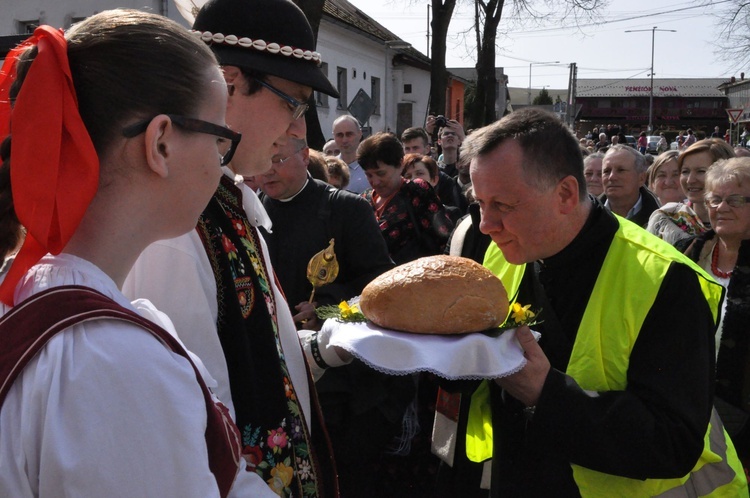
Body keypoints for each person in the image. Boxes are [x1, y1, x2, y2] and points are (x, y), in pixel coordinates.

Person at [0, 10, 261, 497]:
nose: (220, 164)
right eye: (219, 139)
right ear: (160, 142)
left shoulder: (31, 299)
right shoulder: (114, 364)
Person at [458, 107, 746, 497]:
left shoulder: (664, 278)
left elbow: (674, 442)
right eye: (480, 203)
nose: (485, 225)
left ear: (565, 193)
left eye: (503, 206)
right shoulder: (500, 253)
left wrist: (547, 395)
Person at [123, 0, 341, 495]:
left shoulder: (225, 201)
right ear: (228, 82)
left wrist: (329, 349)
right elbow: (196, 431)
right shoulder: (179, 226)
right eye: (293, 101)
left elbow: (259, 356)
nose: (300, 130)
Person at [685, 157, 750, 468]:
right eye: (715, 199)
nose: (722, 207)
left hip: (742, 417)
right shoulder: (688, 253)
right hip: (687, 409)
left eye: (735, 199)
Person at [358, 132, 454, 264]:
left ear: (400, 164)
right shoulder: (364, 200)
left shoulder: (416, 190)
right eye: (369, 175)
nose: (375, 181)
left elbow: (444, 239)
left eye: (381, 173)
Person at [647, 139, 735, 251]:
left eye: (701, 171)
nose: (690, 180)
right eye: (685, 171)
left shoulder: (741, 222)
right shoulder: (666, 219)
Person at [600, 144, 660, 227]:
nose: (612, 177)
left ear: (641, 178)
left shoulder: (660, 222)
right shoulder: (586, 217)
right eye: (606, 171)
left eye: (621, 170)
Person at [332, 115, 367, 193]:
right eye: (339, 135)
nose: (344, 140)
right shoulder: (329, 168)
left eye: (349, 134)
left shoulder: (371, 166)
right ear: (333, 136)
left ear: (360, 134)